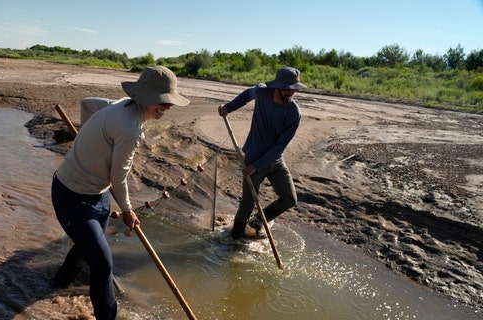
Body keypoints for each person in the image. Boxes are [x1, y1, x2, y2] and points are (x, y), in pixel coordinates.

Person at [50, 66, 190, 319]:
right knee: (103, 265)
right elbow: (118, 177)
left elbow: (87, 104)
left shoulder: (122, 104)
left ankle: (57, 283)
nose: (167, 107)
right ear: (145, 96)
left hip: (99, 194)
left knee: (87, 247)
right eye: (162, 101)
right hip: (72, 196)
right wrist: (127, 211)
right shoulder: (130, 129)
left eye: (169, 102)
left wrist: (88, 138)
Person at [217, 66, 306, 239]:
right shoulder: (261, 93)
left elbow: (280, 146)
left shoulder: (295, 113)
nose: (290, 93)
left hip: (275, 160)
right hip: (253, 156)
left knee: (290, 199)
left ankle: (257, 220)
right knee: (248, 203)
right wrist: (228, 108)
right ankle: (234, 238)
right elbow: (244, 96)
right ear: (277, 87)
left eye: (293, 89)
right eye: (287, 89)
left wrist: (255, 167)